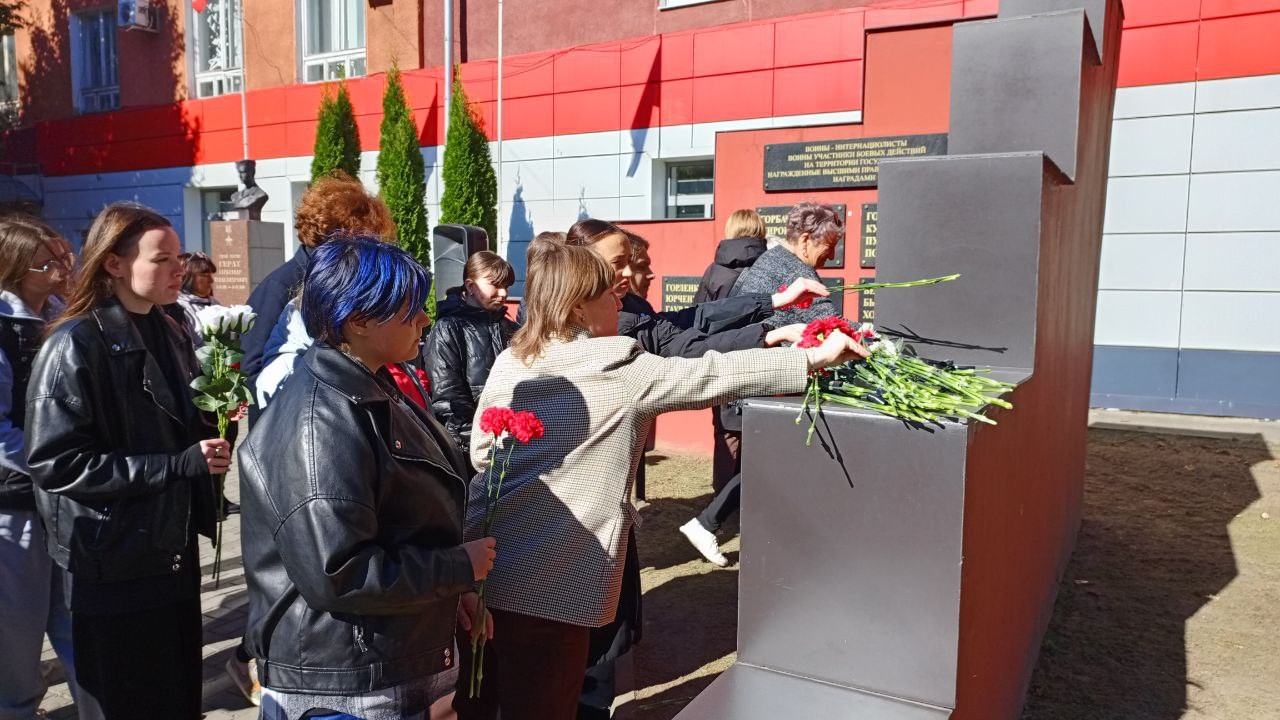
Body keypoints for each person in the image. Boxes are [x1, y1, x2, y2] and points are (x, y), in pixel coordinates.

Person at [453, 243, 867, 720]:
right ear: (578, 308)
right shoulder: (618, 368)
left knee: (478, 702)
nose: (619, 302)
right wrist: (811, 359)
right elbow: (713, 374)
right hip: (560, 583)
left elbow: (482, 453)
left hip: (486, 568)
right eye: (609, 294)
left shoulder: (513, 360)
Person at [238, 237, 495, 720]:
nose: (425, 321)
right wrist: (458, 567)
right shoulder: (321, 422)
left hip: (383, 659)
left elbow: (398, 521)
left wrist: (445, 592)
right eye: (410, 310)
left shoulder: (369, 384)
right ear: (358, 321)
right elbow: (341, 573)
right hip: (348, 681)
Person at [25, 203, 231, 719]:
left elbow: (172, 424)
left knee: (176, 694)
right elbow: (56, 463)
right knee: (125, 700)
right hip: (112, 558)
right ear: (114, 263)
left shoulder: (172, 329)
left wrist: (213, 419)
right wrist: (176, 465)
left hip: (170, 548)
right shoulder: (74, 343)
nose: (178, 270)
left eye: (178, 258)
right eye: (161, 260)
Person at [0, 216, 92, 719]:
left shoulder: (61, 317)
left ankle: (98, 704)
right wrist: (53, 465)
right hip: (16, 505)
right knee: (16, 634)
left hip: (63, 497)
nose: (63, 269)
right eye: (49, 263)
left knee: (77, 619)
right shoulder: (4, 329)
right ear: (15, 269)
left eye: (63, 257)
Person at [241, 172, 395, 421]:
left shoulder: (335, 279)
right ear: (339, 234)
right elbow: (254, 369)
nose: (369, 251)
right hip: (292, 424)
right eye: (365, 240)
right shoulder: (283, 285)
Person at [422, 251, 519, 457]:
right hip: (473, 447)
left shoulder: (512, 329)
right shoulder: (448, 329)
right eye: (496, 285)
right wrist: (478, 445)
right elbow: (448, 399)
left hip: (513, 442)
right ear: (471, 286)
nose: (503, 293)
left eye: (506, 286)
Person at [730, 201, 844, 325]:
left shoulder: (775, 256)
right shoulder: (796, 271)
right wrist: (862, 329)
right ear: (805, 240)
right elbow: (831, 323)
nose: (832, 256)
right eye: (829, 246)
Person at [692, 208, 768, 305]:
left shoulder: (714, 271)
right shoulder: (772, 266)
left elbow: (698, 310)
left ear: (730, 229)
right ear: (761, 229)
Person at [175, 251, 220, 345]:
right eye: (205, 275)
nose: (211, 280)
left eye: (211, 275)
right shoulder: (178, 309)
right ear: (186, 277)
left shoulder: (215, 303)